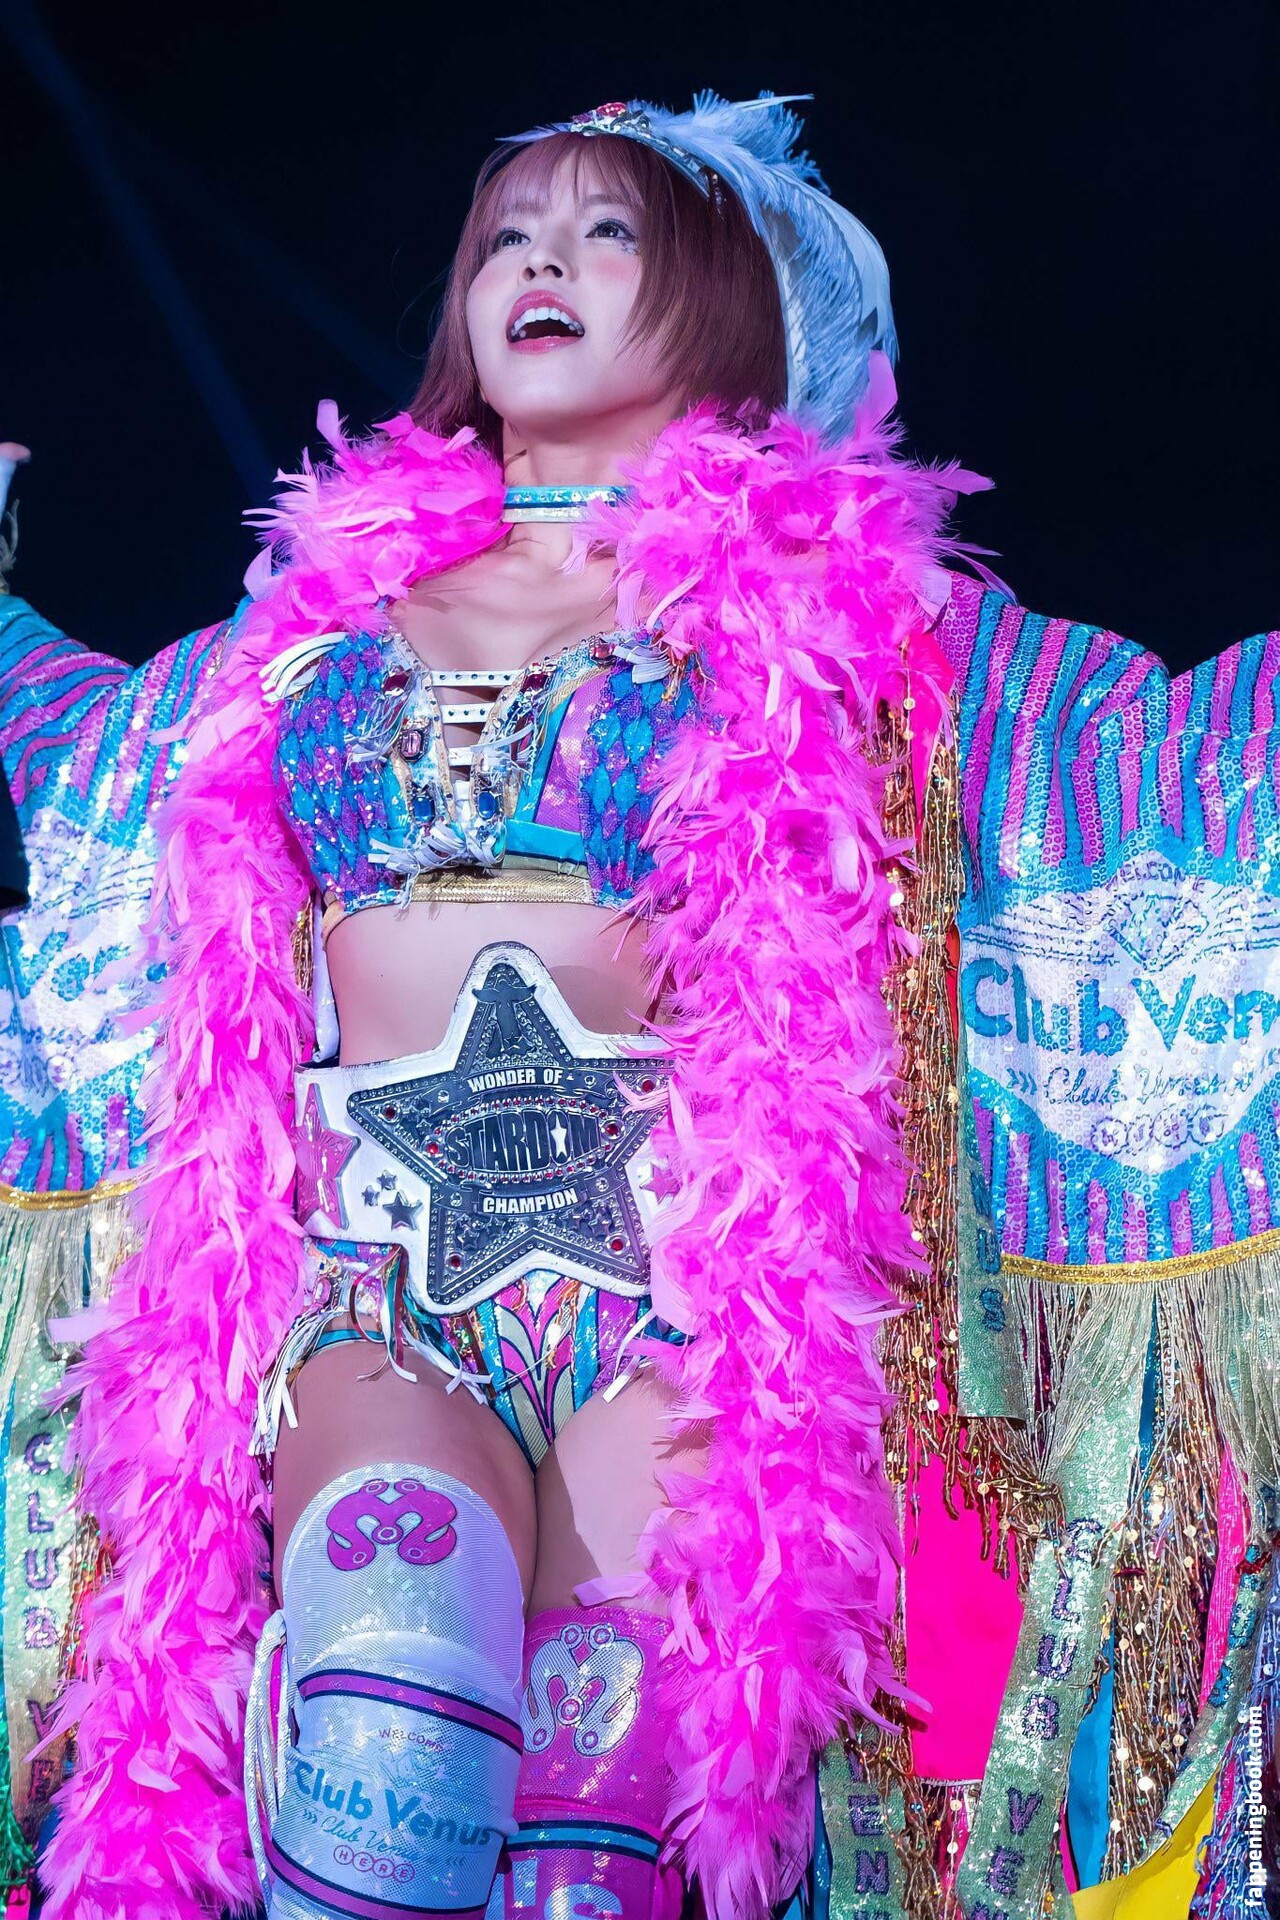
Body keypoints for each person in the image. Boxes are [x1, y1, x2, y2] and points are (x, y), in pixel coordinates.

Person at [0, 91, 1276, 1920]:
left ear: (737, 302)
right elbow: (89, 767)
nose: (546, 261)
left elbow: (1127, 768)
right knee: (389, 1738)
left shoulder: (853, 618)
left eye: (611, 232)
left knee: (598, 1854)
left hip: (682, 1319)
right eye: (509, 234)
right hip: (375, 1297)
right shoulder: (309, 623)